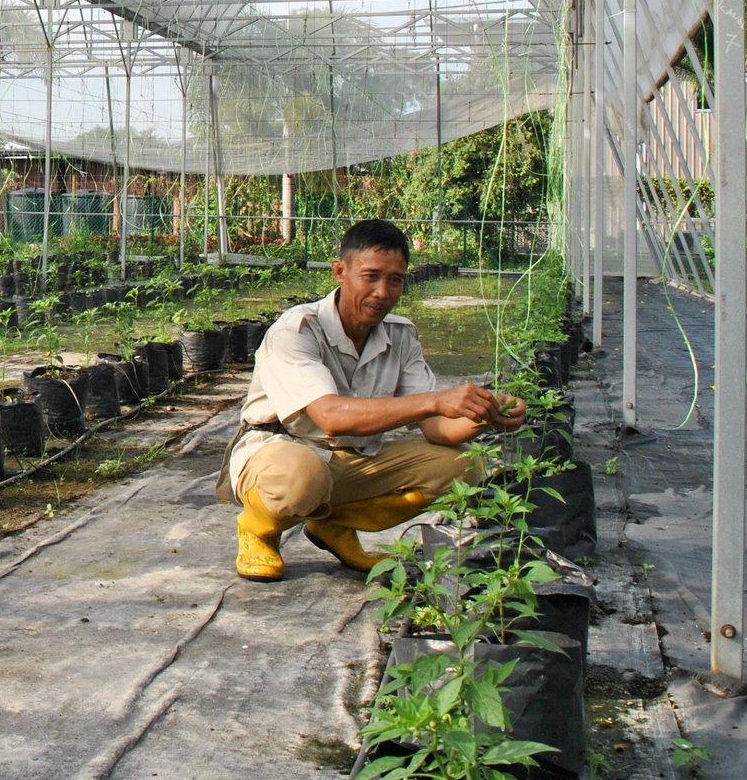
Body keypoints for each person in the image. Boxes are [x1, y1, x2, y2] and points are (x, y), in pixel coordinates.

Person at [217, 218, 523, 582]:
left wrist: (485, 412)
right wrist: (437, 400)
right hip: (279, 452)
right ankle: (258, 529)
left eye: (395, 280)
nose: (383, 292)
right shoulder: (296, 330)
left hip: (353, 460)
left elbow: (436, 427)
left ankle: (334, 525)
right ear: (339, 272)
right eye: (371, 276)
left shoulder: (400, 336)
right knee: (303, 476)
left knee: (463, 468)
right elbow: (329, 416)